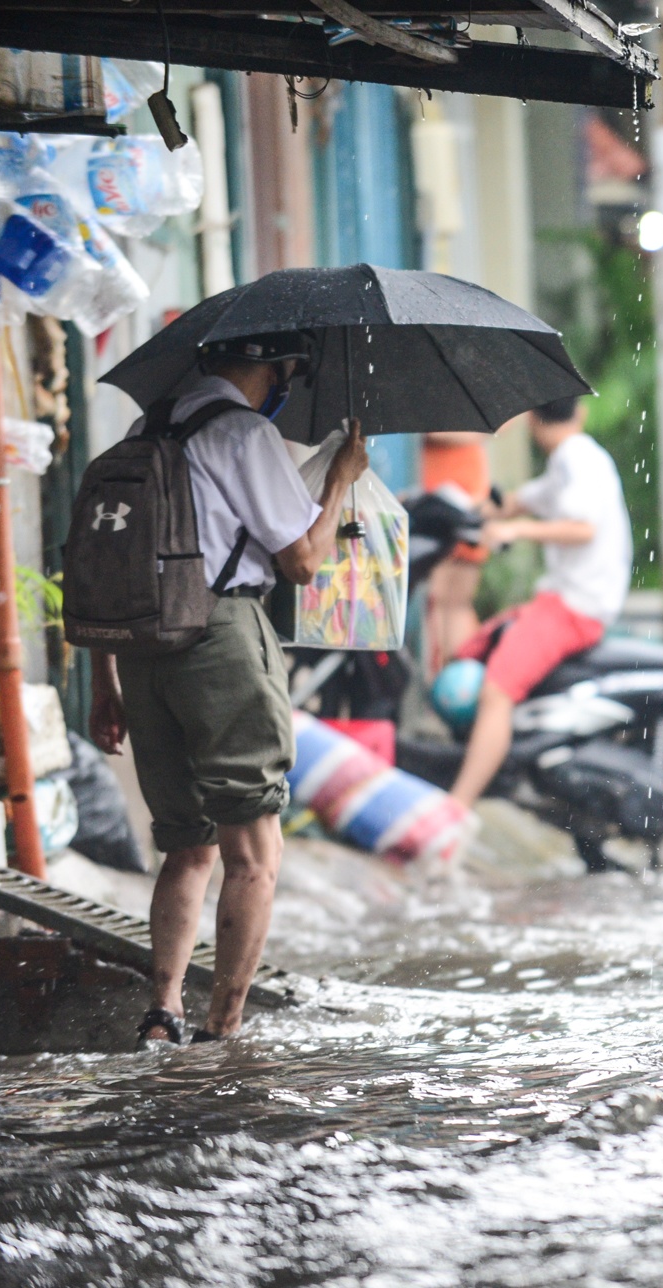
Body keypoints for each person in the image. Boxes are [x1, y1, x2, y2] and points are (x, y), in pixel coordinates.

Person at [88, 332, 370, 1046]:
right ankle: (224, 1031)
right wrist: (341, 476)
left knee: (187, 845)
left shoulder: (146, 427)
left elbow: (105, 561)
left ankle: (163, 1012)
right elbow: (304, 560)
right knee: (254, 851)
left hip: (141, 651)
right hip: (221, 639)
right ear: (273, 370)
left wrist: (105, 681)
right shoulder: (243, 433)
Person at [446, 396, 632, 808]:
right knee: (474, 648)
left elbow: (582, 528)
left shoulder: (576, 458)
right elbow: (520, 500)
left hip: (574, 607)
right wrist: (473, 512)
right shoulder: (575, 458)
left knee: (496, 690)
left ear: (531, 420)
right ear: (579, 413)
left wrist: (517, 531)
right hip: (567, 602)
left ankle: (457, 805)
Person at [419, 430, 494, 673]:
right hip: (458, 494)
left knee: (447, 601)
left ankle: (451, 679)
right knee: (446, 603)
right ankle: (452, 678)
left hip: (452, 497)